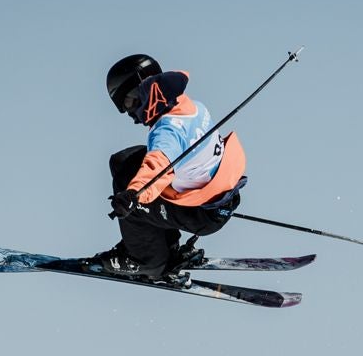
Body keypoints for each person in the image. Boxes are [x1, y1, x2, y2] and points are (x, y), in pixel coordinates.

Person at [91, 54, 248, 284]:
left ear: (144, 90)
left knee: (129, 195)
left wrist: (132, 196)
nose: (132, 115)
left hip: (200, 215)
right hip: (218, 200)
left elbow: (158, 166)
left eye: (130, 103)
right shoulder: (191, 107)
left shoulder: (167, 130)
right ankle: (165, 246)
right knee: (122, 161)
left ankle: (148, 261)